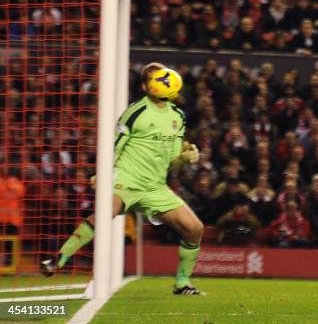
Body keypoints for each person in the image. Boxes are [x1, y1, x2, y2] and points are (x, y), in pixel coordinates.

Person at [40, 62, 204, 295]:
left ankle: (182, 283)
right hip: (125, 180)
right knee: (103, 214)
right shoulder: (136, 111)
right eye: (152, 77)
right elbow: (114, 147)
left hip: (155, 187)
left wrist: (186, 157)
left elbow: (173, 160)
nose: (158, 79)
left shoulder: (177, 116)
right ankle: (58, 259)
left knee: (194, 229)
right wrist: (102, 174)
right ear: (144, 86)